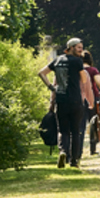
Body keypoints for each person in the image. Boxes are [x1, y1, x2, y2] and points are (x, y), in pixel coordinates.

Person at [38, 37, 94, 168]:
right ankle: (74, 161)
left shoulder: (57, 60)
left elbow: (41, 73)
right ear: (71, 47)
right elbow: (84, 79)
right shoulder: (77, 61)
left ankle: (63, 152)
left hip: (61, 100)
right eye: (79, 47)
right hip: (75, 100)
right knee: (75, 131)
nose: (81, 50)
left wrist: (51, 87)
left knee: (62, 130)